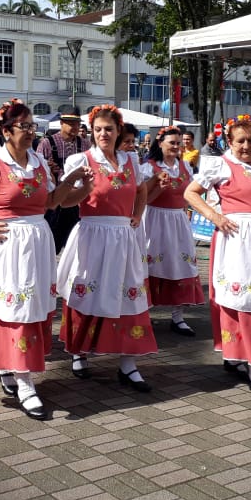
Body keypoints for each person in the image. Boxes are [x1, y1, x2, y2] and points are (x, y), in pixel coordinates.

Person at [0, 100, 91, 420]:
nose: (30, 132)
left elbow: (54, 202)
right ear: (5, 130)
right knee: (14, 310)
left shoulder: (39, 160)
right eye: (23, 126)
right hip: (6, 245)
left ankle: (11, 369)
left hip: (37, 242)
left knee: (31, 309)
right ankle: (25, 382)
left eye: (32, 126)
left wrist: (79, 182)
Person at [184, 115, 251, 399]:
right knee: (247, 300)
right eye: (240, 141)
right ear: (229, 143)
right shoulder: (221, 164)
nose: (246, 146)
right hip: (240, 241)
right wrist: (214, 217)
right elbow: (191, 192)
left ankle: (238, 356)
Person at [58, 104, 157, 390]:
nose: (103, 133)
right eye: (98, 129)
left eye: (109, 129)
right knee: (86, 292)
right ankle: (78, 352)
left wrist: (137, 213)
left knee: (129, 294)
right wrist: (83, 188)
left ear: (118, 131)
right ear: (91, 132)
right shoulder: (81, 159)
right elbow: (65, 201)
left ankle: (128, 364)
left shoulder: (130, 160)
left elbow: (141, 190)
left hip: (124, 236)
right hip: (92, 235)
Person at [141, 126, 205, 337]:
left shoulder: (185, 166)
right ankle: (144, 314)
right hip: (154, 219)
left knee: (181, 265)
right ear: (160, 143)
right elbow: (143, 200)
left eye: (179, 143)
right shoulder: (149, 167)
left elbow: (189, 194)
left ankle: (178, 317)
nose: (177, 147)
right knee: (150, 266)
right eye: (172, 143)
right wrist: (158, 186)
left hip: (178, 220)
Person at [37, 106, 90, 251]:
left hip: (76, 200)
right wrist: (47, 167)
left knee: (76, 244)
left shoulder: (84, 144)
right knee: (52, 244)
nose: (75, 126)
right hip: (56, 200)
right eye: (70, 123)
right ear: (61, 123)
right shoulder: (48, 143)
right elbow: (37, 169)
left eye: (77, 123)